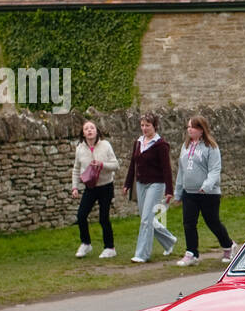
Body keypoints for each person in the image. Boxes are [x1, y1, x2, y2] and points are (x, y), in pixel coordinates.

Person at [172, 115, 236, 266]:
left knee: (212, 222)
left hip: (208, 193)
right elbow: (181, 171)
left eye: (192, 127)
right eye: (188, 127)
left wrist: (206, 186)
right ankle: (192, 253)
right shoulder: (185, 146)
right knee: (188, 223)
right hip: (189, 192)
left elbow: (215, 169)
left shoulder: (211, 147)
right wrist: (178, 192)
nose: (189, 130)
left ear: (201, 130)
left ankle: (228, 245)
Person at [123, 113, 177, 263]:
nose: (144, 128)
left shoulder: (161, 145)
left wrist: (169, 191)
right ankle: (169, 240)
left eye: (148, 125)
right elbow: (132, 165)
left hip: (156, 184)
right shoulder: (138, 142)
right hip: (140, 183)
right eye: (142, 125)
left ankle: (142, 254)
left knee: (146, 220)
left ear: (154, 126)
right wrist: (127, 184)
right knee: (147, 218)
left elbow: (167, 169)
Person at [71, 120, 120, 258]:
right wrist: (74, 187)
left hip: (106, 186)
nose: (89, 130)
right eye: (86, 128)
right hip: (90, 187)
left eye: (92, 128)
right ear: (83, 133)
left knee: (103, 218)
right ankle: (86, 244)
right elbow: (76, 169)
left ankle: (110, 248)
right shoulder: (80, 148)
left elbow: (116, 165)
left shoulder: (105, 145)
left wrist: (102, 164)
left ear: (97, 131)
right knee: (81, 215)